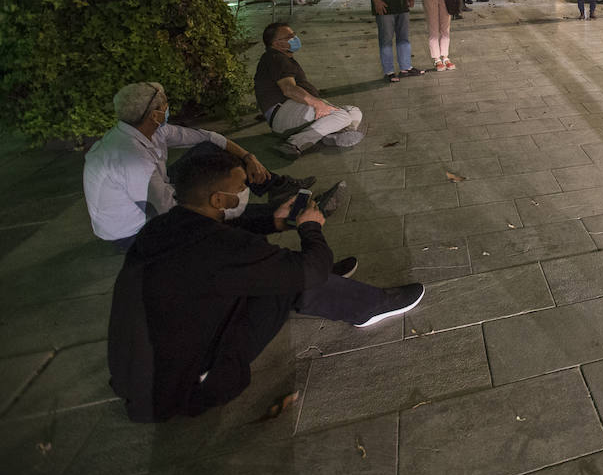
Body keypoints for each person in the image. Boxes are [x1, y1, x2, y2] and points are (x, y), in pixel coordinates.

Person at [106, 148, 424, 422]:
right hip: (190, 386)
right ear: (218, 198)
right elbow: (303, 269)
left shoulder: (163, 227)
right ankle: (368, 307)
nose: (247, 190)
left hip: (141, 378)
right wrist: (310, 229)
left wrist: (275, 221)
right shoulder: (220, 249)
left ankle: (331, 286)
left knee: (283, 273)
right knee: (292, 281)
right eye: (241, 186)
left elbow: (228, 230)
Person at [83, 81, 319, 251]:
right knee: (214, 212)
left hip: (157, 191)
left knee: (213, 152)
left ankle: (274, 186)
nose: (168, 108)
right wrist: (227, 205)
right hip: (133, 232)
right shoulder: (130, 159)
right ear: (154, 115)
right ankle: (286, 215)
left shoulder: (151, 130)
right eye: (165, 105)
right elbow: (166, 212)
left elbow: (209, 138)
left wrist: (249, 157)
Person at [256, 22, 365, 158]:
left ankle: (335, 134)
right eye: (289, 37)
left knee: (353, 111)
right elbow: (289, 89)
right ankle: (293, 143)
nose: (295, 38)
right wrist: (318, 104)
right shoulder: (276, 59)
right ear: (277, 44)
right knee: (341, 116)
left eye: (294, 34)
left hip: (291, 110)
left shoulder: (280, 58)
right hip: (283, 114)